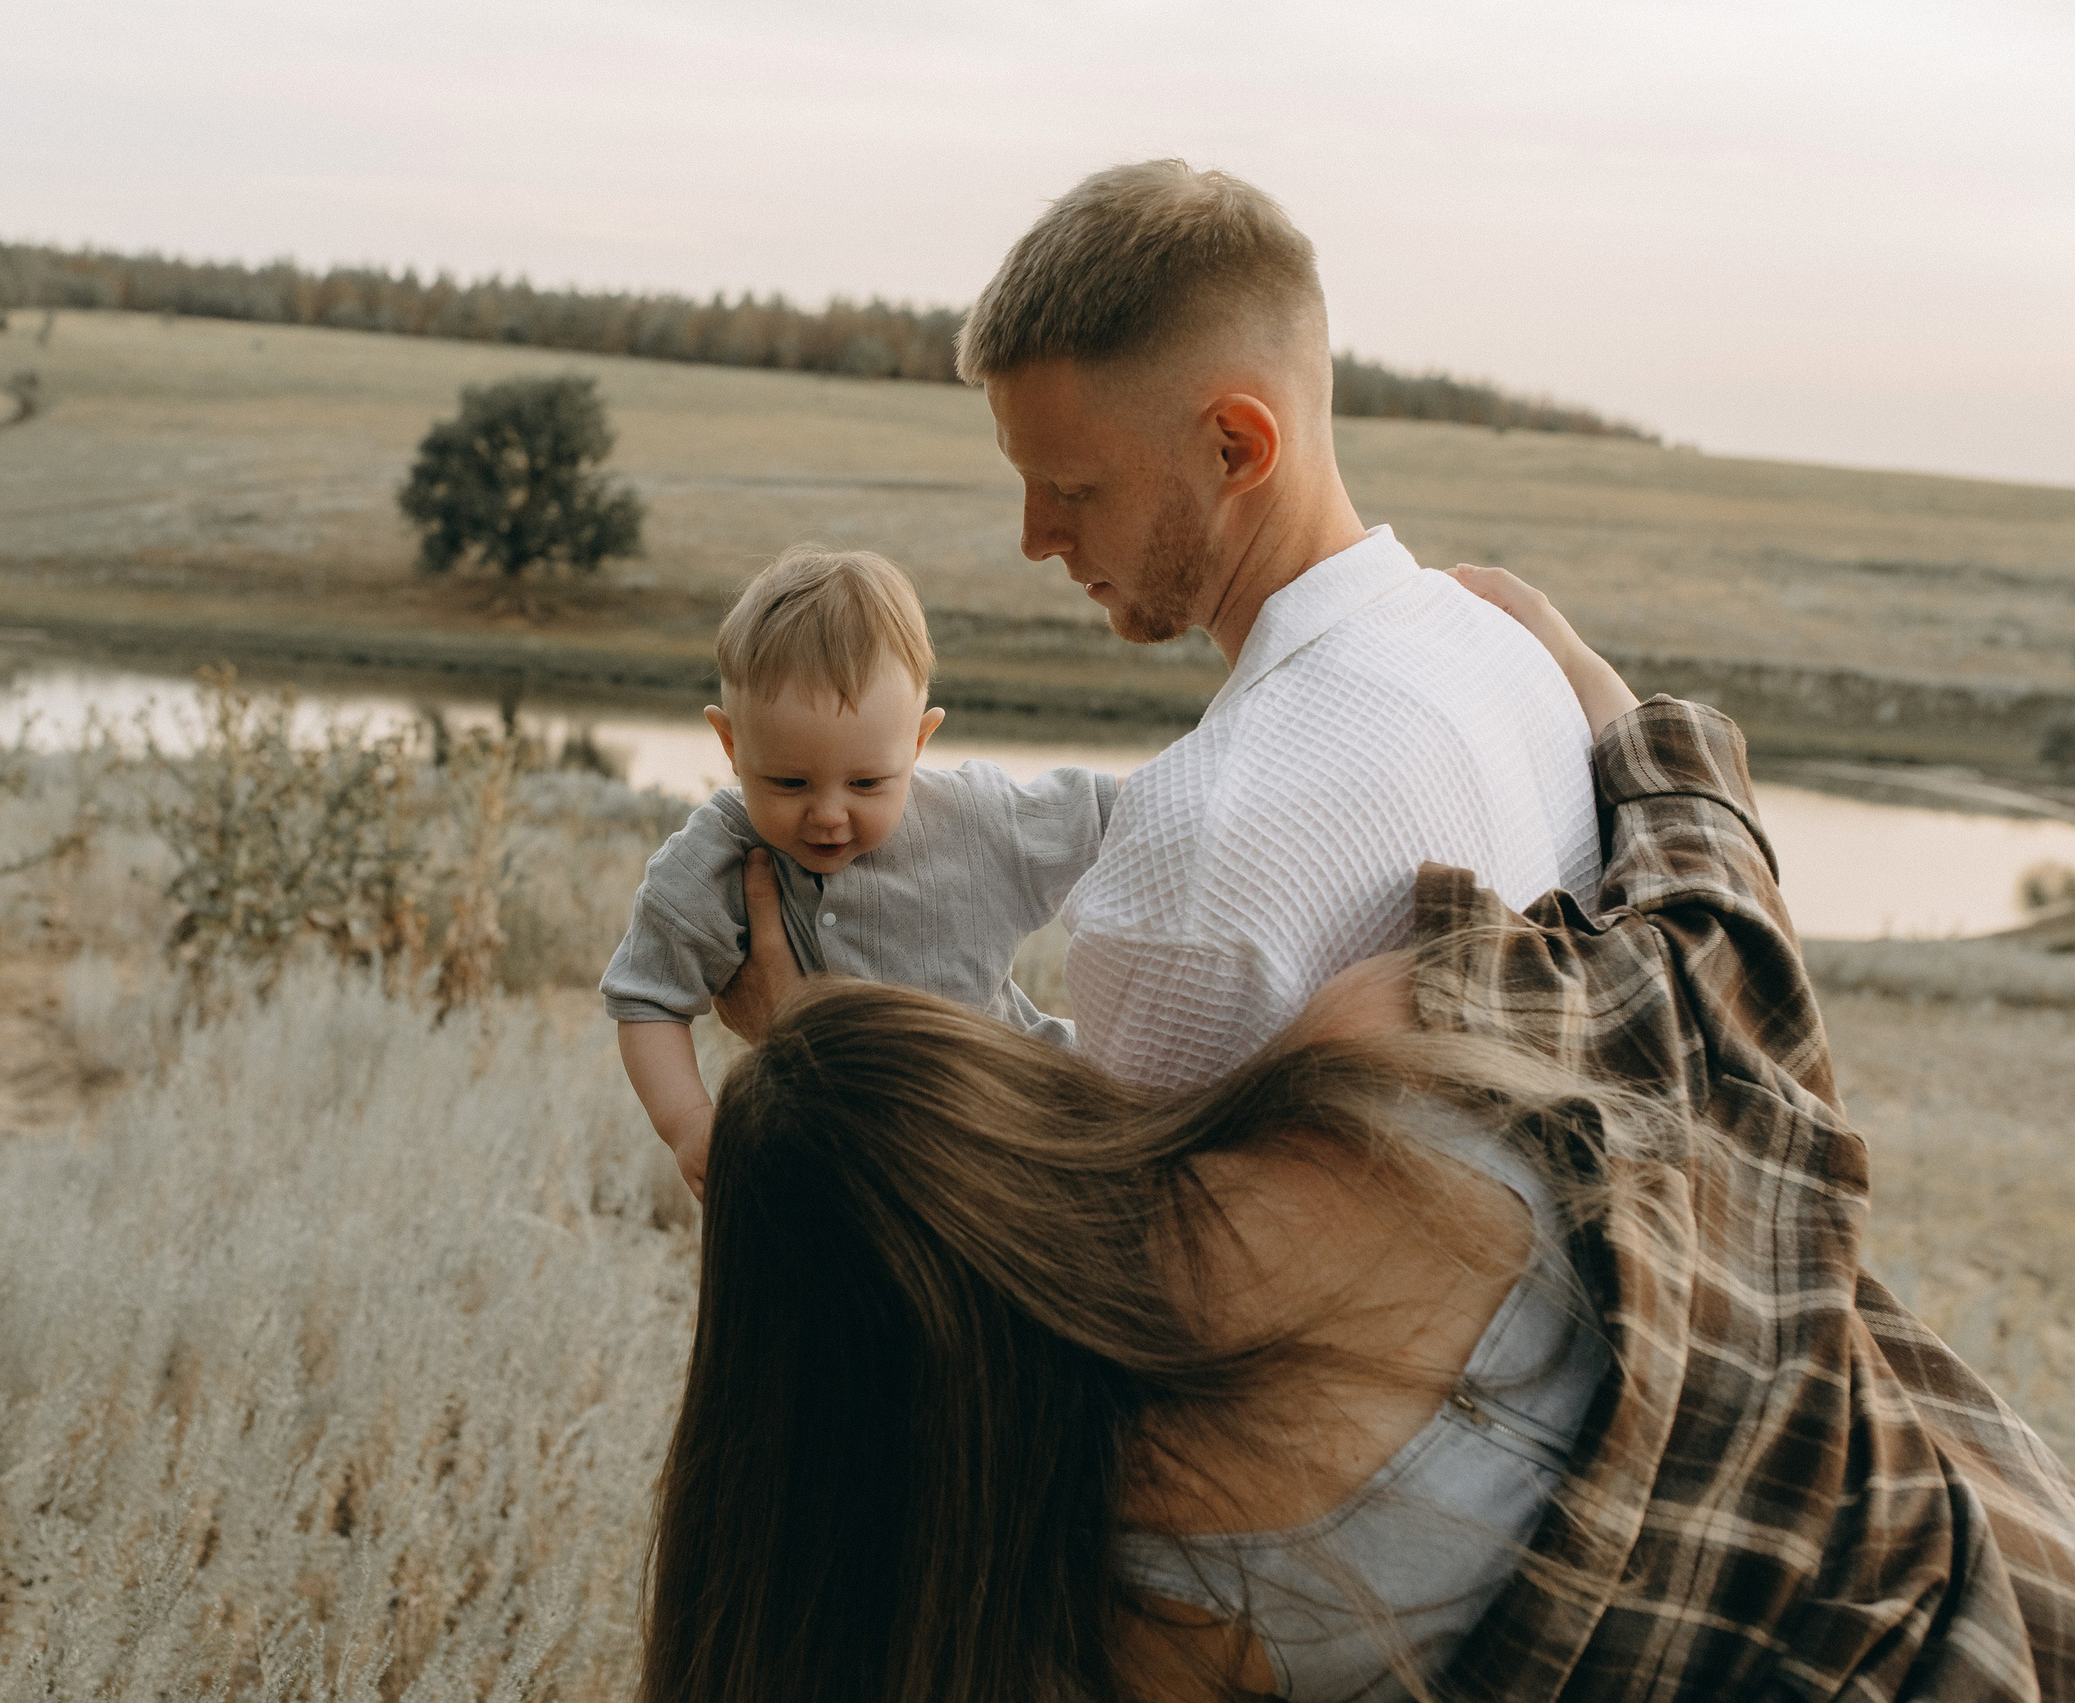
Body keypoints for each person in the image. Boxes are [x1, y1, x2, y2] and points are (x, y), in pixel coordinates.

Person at [642, 570, 2075, 1703]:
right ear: (984, 1089)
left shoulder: (1112, 1598)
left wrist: (813, 1063)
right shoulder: (1356, 1073)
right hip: (1996, 1586)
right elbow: (1717, 991)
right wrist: (1614, 704)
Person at [961, 161, 1604, 1090]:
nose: (1036, 538)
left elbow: (1105, 1228)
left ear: (1237, 447)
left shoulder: (1202, 847)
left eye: (1071, 488)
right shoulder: (1517, 656)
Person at [601, 543, 1119, 1197]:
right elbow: (644, 995)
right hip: (861, 1168)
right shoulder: (716, 856)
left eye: (868, 782)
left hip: (1031, 1120)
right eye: (789, 782)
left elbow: (1125, 814)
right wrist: (689, 1122)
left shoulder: (978, 817)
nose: (828, 815)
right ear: (732, 744)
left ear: (919, 742)